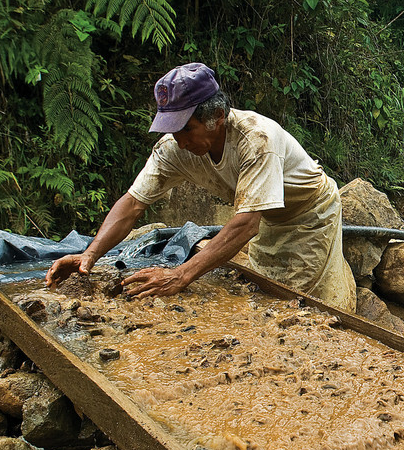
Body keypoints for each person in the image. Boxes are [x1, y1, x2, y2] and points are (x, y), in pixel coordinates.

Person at [45, 62, 356, 312]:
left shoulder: (257, 140)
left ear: (217, 117)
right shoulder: (173, 148)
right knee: (266, 294)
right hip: (268, 217)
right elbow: (133, 203)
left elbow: (246, 224)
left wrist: (180, 275)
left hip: (308, 214)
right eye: (172, 130)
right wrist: (90, 255)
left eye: (186, 129)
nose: (180, 141)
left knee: (305, 305)